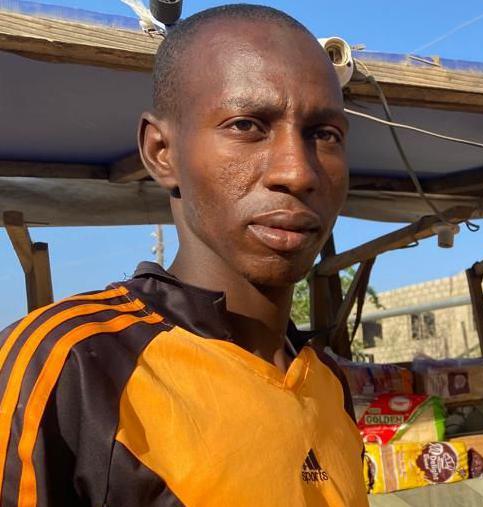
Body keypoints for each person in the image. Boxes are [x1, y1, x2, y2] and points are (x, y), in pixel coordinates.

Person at [0, 5, 367, 506]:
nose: (297, 172)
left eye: (325, 135)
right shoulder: (71, 366)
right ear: (161, 152)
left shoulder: (327, 385)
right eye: (247, 125)